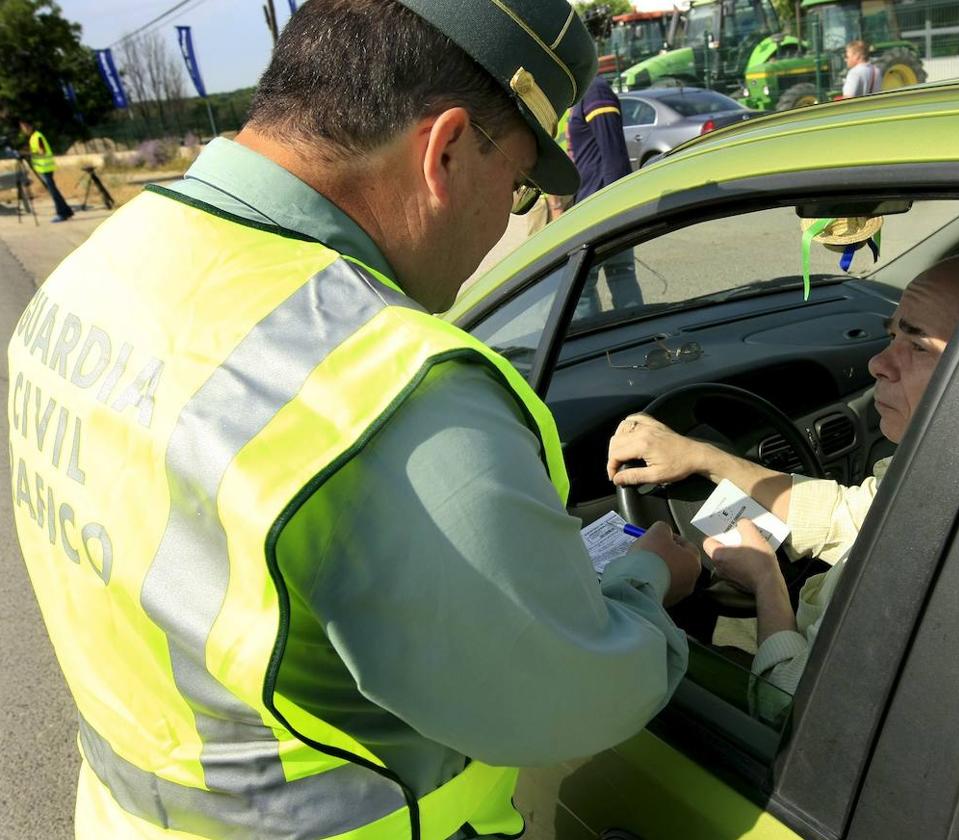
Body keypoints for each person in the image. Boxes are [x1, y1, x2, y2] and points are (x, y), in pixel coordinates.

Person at [7, 2, 701, 837]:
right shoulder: (392, 397)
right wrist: (651, 578)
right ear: (445, 151)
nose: (504, 222)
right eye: (517, 184)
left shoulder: (103, 269)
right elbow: (570, 697)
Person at [607, 251, 959, 724]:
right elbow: (847, 515)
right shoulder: (954, 468)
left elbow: (790, 709)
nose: (877, 363)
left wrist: (766, 580)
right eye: (892, 336)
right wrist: (703, 457)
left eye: (918, 347)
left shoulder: (950, 539)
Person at [568, 74, 643, 318]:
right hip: (596, 202)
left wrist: (616, 207)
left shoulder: (595, 91)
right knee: (619, 272)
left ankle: (590, 345)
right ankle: (636, 337)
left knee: (582, 282)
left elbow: (614, 154)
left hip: (599, 206)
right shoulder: (586, 94)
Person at [18, 119, 74, 222]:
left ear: (29, 126)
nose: (23, 130)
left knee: (53, 192)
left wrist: (27, 154)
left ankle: (62, 213)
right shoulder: (33, 137)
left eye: (24, 127)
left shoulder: (37, 136)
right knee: (53, 191)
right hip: (43, 168)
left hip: (46, 168)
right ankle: (67, 211)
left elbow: (42, 152)